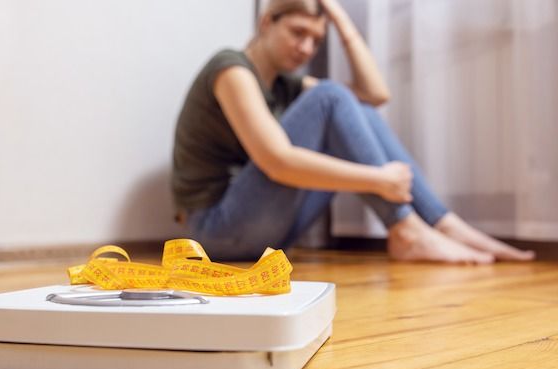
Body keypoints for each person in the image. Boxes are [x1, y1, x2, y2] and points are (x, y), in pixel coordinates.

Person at [171, 0, 535, 263]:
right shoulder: (231, 69)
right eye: (298, 33)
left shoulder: (285, 86)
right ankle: (407, 230)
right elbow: (277, 161)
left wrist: (342, 22)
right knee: (331, 96)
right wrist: (379, 179)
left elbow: (376, 95)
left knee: (351, 105)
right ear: (266, 22)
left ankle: (444, 223)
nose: (306, 48)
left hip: (266, 232)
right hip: (215, 232)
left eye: (316, 40)